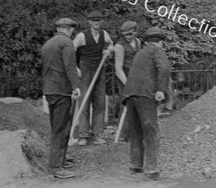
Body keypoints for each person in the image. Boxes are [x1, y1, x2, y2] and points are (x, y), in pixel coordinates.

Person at [122, 27, 171, 180]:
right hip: (145, 94)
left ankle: (135, 165)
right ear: (160, 42)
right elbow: (164, 68)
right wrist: (162, 90)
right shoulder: (157, 51)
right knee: (151, 131)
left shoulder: (140, 53)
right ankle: (151, 170)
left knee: (136, 131)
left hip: (130, 94)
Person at [41, 18, 82, 179]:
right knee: (62, 128)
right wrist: (76, 86)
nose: (72, 32)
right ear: (69, 30)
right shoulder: (67, 43)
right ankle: (56, 166)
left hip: (50, 90)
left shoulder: (48, 44)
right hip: (62, 90)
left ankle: (60, 159)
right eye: (72, 30)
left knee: (57, 126)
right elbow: (70, 66)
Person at [73, 10, 114, 146]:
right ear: (89, 22)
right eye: (94, 20)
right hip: (85, 69)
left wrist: (109, 50)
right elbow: (71, 49)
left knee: (99, 102)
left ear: (101, 21)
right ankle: (84, 135)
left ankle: (97, 134)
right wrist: (76, 67)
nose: (96, 22)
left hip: (99, 68)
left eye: (99, 20)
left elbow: (111, 44)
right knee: (84, 101)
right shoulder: (82, 36)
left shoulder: (104, 34)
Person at [114, 21, 141, 141]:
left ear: (135, 32)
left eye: (130, 34)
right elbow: (118, 69)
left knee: (138, 103)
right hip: (123, 77)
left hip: (135, 76)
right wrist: (127, 83)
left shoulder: (138, 42)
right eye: (126, 35)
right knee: (126, 103)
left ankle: (134, 134)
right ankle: (122, 135)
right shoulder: (119, 46)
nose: (128, 37)